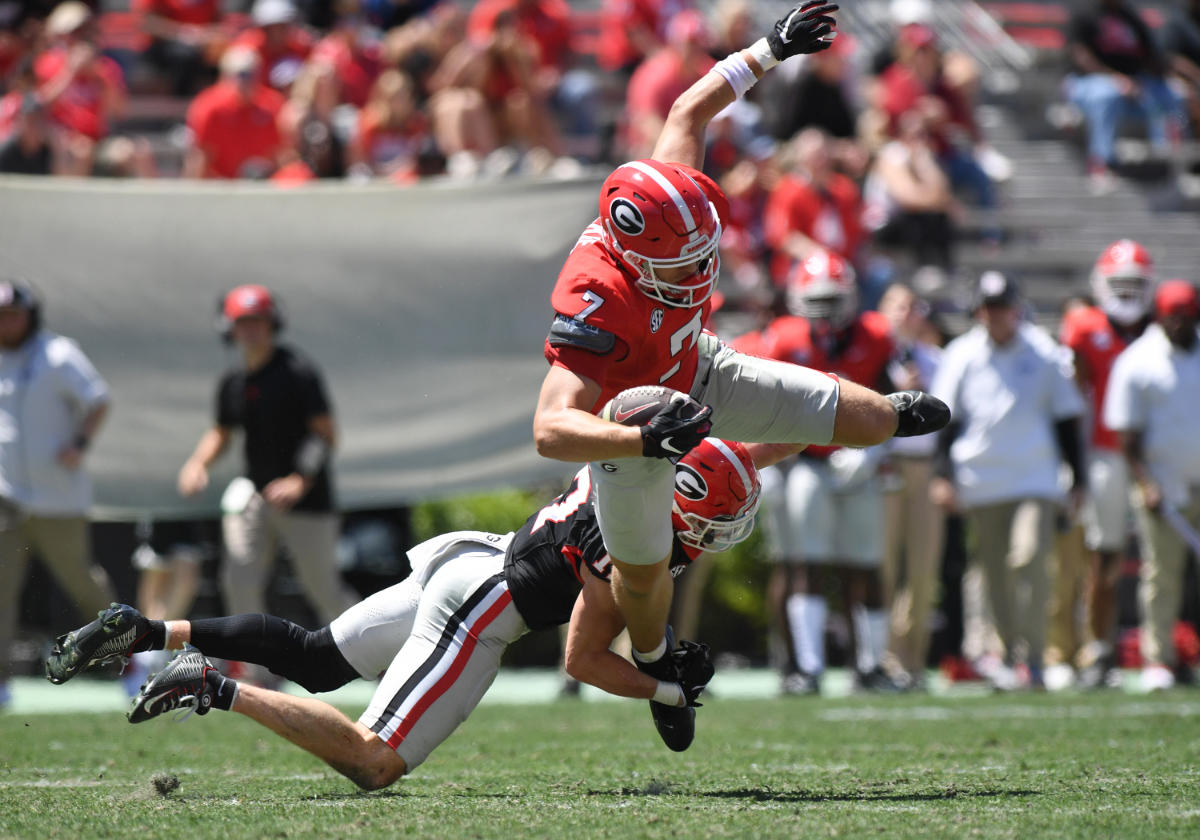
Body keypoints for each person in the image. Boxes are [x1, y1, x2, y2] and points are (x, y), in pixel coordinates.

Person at [532, 0, 949, 732]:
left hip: (698, 369)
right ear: (635, 257)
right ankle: (660, 666)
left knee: (868, 416)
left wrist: (771, 48)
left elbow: (691, 108)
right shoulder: (594, 297)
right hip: (635, 430)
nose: (702, 266)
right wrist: (639, 441)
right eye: (684, 256)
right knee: (643, 578)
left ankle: (889, 413)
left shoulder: (662, 200)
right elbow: (550, 428)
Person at [45, 437, 764, 787]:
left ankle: (146, 630)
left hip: (472, 558)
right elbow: (581, 658)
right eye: (712, 522)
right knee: (375, 760)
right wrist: (669, 686)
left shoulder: (634, 456)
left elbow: (758, 436)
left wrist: (871, 413)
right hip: (485, 606)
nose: (713, 538)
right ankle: (212, 683)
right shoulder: (630, 550)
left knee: (319, 657)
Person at [930, 272, 1086, 690]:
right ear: (979, 311)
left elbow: (1067, 419)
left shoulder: (1044, 351)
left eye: (1002, 307)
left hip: (1035, 475)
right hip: (980, 478)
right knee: (995, 573)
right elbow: (946, 420)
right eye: (989, 307)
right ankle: (1011, 653)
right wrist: (941, 476)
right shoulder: (962, 354)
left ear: (1016, 307)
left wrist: (1080, 480)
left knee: (1030, 556)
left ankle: (1034, 658)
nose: (996, 316)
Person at [177, 284, 357, 639]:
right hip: (256, 496)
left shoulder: (298, 372)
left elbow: (325, 436)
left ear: (274, 324)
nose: (251, 330)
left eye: (258, 321)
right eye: (243, 322)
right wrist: (197, 463)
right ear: (228, 328)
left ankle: (384, 657)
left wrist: (299, 479)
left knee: (323, 589)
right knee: (238, 580)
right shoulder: (233, 380)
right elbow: (222, 431)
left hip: (309, 502)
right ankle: (258, 673)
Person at [755, 250, 898, 694]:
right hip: (805, 463)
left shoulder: (876, 336)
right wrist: (772, 466)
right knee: (805, 563)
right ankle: (807, 668)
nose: (825, 310)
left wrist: (875, 451)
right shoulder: (783, 338)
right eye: (816, 299)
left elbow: (895, 401)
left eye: (832, 299)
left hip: (859, 464)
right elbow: (764, 406)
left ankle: (870, 666)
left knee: (866, 564)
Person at [0, 278, 115, 706]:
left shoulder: (57, 353)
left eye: (13, 316)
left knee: (81, 582)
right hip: (6, 496)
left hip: (58, 499)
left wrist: (79, 444)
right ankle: (0, 680)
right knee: (0, 588)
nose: (6, 324)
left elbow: (98, 399)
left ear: (30, 316)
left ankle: (128, 658)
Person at [1058, 240, 1156, 688]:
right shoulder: (1084, 328)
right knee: (1105, 555)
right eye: (1120, 284)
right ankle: (1099, 648)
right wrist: (1073, 466)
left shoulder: (1165, 328)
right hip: (1103, 454)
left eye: (1136, 283)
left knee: (1163, 557)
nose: (1128, 292)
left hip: (1157, 456)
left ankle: (1159, 651)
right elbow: (1070, 402)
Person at [1103, 280, 1200, 692]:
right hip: (1164, 488)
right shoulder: (1138, 361)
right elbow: (1126, 435)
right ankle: (1159, 658)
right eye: (1173, 315)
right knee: (1162, 574)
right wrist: (1146, 484)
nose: (1180, 323)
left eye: (1187, 315)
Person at [876, 282, 943, 688]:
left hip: (925, 466)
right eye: (896, 305)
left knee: (922, 568)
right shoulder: (873, 357)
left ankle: (913, 658)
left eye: (911, 306)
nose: (906, 312)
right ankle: (883, 656)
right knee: (883, 565)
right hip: (886, 465)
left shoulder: (936, 360)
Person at [1066, 0, 1184, 194]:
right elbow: (1081, 57)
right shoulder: (1085, 14)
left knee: (1174, 92)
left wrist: (1160, 77)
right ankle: (1102, 163)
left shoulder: (1130, 18)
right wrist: (1117, 79)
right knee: (1107, 94)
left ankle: (1170, 158)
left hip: (1132, 85)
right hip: (1086, 83)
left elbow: (1152, 56)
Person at [184, 47, 287, 179]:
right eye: (241, 75)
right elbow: (200, 156)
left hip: (262, 183)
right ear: (225, 76)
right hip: (221, 185)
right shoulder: (208, 106)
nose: (246, 81)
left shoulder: (272, 104)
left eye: (252, 74)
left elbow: (282, 154)